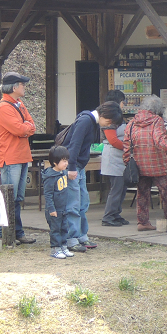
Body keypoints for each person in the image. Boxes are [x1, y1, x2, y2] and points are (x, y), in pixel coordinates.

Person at [61, 100, 123, 252]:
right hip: (73, 167)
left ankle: (82, 235)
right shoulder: (85, 121)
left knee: (82, 203)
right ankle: (72, 238)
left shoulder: (91, 122)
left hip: (79, 167)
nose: (108, 126)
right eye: (110, 122)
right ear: (106, 117)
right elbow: (74, 145)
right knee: (73, 204)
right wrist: (71, 167)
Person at [124, 95, 167, 231]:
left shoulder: (131, 123)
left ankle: (142, 222)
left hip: (139, 165)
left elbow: (126, 144)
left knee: (142, 193)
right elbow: (160, 140)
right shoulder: (157, 121)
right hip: (157, 164)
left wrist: (127, 161)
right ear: (158, 109)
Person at [0, 71, 37, 244]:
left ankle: (16, 232)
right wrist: (26, 127)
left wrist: (26, 127)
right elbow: (21, 129)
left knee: (17, 198)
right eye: (22, 84)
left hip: (20, 155)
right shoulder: (5, 107)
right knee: (9, 197)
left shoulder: (18, 103)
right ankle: (2, 232)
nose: (24, 87)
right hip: (10, 158)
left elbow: (31, 126)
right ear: (14, 87)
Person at [99, 89, 129, 227]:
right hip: (113, 157)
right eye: (123, 101)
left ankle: (116, 214)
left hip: (120, 159)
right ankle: (108, 216)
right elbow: (113, 140)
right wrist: (127, 148)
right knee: (116, 190)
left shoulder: (119, 118)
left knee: (121, 189)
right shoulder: (110, 117)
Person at [43, 145, 74, 260]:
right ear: (55, 162)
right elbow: (48, 194)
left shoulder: (63, 173)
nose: (66, 164)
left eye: (67, 161)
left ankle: (63, 246)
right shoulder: (50, 176)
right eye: (64, 161)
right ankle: (55, 248)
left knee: (64, 228)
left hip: (63, 208)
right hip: (54, 210)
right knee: (55, 230)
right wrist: (51, 209)